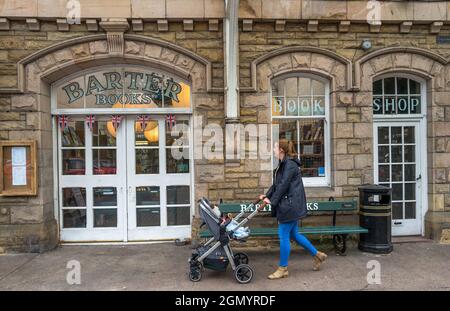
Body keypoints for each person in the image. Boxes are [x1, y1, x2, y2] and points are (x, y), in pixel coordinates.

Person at [259, 139, 327, 280]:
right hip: (290, 204)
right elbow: (277, 185)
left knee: (283, 235)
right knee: (294, 235)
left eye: (275, 147)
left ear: (281, 150)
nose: (273, 149)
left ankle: (283, 268)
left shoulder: (289, 165)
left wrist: (272, 201)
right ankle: (318, 255)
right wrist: (267, 195)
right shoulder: (283, 164)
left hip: (290, 206)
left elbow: (283, 185)